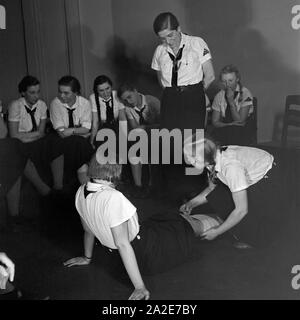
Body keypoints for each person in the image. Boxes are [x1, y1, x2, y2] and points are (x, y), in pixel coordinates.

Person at [63, 149, 211, 300]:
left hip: (119, 260)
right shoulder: (113, 198)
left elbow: (88, 230)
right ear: (116, 170)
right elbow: (123, 245)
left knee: (168, 219)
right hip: (146, 253)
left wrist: (87, 258)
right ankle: (219, 221)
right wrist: (140, 287)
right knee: (186, 226)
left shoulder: (81, 191)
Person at [180, 135, 283, 246]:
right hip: (247, 169)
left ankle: (254, 240)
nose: (189, 161)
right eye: (187, 156)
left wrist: (217, 232)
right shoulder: (211, 159)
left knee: (245, 210)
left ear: (206, 155)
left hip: (268, 177)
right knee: (218, 195)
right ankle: (233, 225)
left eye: (193, 157)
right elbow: (211, 188)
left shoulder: (231, 168)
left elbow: (241, 210)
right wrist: (191, 204)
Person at [152, 12, 215, 132]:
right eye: (162, 38)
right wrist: (173, 94)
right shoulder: (159, 51)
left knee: (192, 142)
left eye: (170, 35)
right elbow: (160, 79)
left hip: (193, 97)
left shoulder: (196, 43)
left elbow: (210, 75)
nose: (168, 41)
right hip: (170, 98)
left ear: (178, 29)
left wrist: (196, 93)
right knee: (169, 141)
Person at [8, 76, 64, 195]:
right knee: (17, 147)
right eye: (32, 93)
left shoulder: (42, 105)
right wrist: (33, 135)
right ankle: (44, 189)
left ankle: (58, 187)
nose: (36, 96)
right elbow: (14, 136)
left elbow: (42, 132)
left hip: (35, 141)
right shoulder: (16, 106)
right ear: (23, 93)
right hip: (22, 144)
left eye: (38, 92)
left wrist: (24, 134)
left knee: (55, 141)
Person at [50, 76, 94, 187]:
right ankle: (88, 188)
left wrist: (71, 130)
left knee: (78, 144)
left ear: (76, 92)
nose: (61, 95)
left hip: (78, 142)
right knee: (79, 144)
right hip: (61, 141)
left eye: (66, 93)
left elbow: (87, 129)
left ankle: (83, 186)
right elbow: (62, 133)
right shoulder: (55, 103)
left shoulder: (85, 103)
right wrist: (79, 131)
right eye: (60, 92)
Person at [118, 83, 160, 196]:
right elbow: (135, 127)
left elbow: (163, 124)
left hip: (158, 134)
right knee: (133, 147)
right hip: (141, 136)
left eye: (129, 97)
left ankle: (152, 186)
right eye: (125, 100)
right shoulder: (128, 108)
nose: (129, 101)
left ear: (135, 91)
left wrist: (146, 128)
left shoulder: (152, 101)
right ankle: (138, 186)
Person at [211, 65, 254, 146]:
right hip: (226, 126)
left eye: (230, 80)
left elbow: (240, 121)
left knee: (235, 133)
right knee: (213, 137)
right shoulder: (219, 95)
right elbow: (215, 122)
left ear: (237, 79)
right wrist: (228, 125)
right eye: (224, 81)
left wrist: (231, 101)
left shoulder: (245, 93)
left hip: (243, 127)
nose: (227, 84)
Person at [89, 75, 127, 149]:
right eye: (101, 90)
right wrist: (92, 139)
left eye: (107, 88)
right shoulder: (93, 98)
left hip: (116, 126)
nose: (105, 93)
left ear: (111, 87)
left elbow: (122, 118)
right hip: (101, 127)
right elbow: (95, 122)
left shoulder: (116, 95)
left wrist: (124, 137)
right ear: (96, 90)